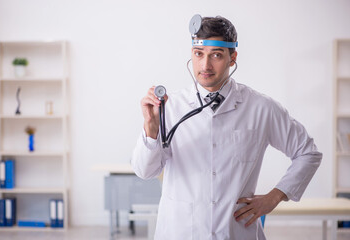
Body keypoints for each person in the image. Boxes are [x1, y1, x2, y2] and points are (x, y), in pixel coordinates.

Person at [131, 15, 322, 240]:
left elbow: (308, 153)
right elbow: (145, 172)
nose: (205, 65)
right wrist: (150, 128)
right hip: (179, 231)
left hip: (236, 232)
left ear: (233, 58)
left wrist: (274, 197)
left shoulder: (260, 108)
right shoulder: (169, 108)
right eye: (199, 54)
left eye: (217, 55)